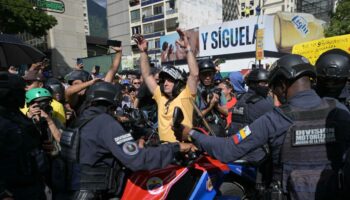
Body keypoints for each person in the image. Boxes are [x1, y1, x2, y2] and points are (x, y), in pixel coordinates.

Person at [182, 54, 350, 199]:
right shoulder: (340, 111)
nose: (274, 93)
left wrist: (192, 134)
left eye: (274, 87)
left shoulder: (276, 119)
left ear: (282, 85)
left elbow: (227, 150)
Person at [65, 81, 195, 199]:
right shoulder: (105, 123)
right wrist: (175, 147)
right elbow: (139, 160)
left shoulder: (79, 121)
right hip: (96, 195)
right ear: (112, 104)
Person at [133, 29, 199, 142]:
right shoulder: (161, 96)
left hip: (183, 150)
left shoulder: (186, 95)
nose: (165, 83)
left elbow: (194, 74)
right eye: (164, 80)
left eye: (170, 80)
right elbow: (147, 75)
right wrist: (143, 52)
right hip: (164, 151)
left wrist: (188, 48)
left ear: (178, 83)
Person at [0, 72, 47, 199]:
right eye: (21, 91)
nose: (24, 94)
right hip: (13, 190)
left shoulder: (18, 116)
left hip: (33, 184)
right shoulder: (3, 121)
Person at [229, 68, 274, 133]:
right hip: (255, 140)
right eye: (264, 83)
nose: (267, 86)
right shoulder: (265, 101)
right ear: (253, 84)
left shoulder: (240, 98)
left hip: (237, 138)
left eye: (268, 83)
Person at [195, 59, 228, 137]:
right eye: (204, 74)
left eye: (210, 74)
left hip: (218, 130)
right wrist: (210, 106)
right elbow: (196, 117)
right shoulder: (196, 93)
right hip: (203, 131)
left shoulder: (218, 91)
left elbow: (226, 112)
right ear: (199, 75)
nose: (207, 77)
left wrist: (216, 105)